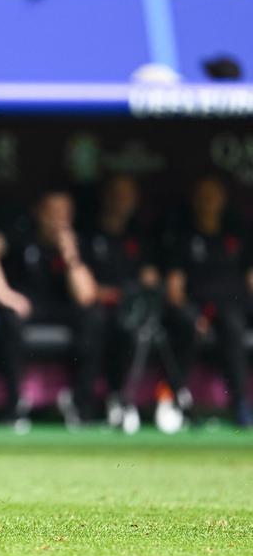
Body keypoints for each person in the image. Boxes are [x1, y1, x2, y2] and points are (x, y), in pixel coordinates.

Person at [0, 191, 100, 430]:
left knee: (94, 317)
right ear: (39, 213)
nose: (58, 220)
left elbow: (86, 296)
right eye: (53, 213)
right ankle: (15, 402)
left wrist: (70, 256)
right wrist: (3, 293)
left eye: (65, 214)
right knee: (8, 319)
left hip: (62, 308)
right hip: (27, 307)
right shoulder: (22, 233)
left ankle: (81, 403)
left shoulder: (76, 243)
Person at [163, 176, 252, 428]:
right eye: (202, 197)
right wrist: (190, 314)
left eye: (213, 197)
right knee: (187, 326)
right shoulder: (183, 236)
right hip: (197, 307)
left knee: (233, 325)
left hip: (234, 307)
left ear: (222, 200)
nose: (208, 203)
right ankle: (179, 401)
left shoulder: (238, 232)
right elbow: (174, 287)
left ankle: (240, 403)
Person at [81, 175, 160, 434]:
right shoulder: (89, 232)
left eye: (126, 195)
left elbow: (149, 278)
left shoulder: (141, 235)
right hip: (95, 310)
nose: (120, 201)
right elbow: (86, 289)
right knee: (96, 322)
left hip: (131, 310)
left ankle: (124, 400)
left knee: (133, 327)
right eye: (116, 194)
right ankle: (86, 402)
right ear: (105, 197)